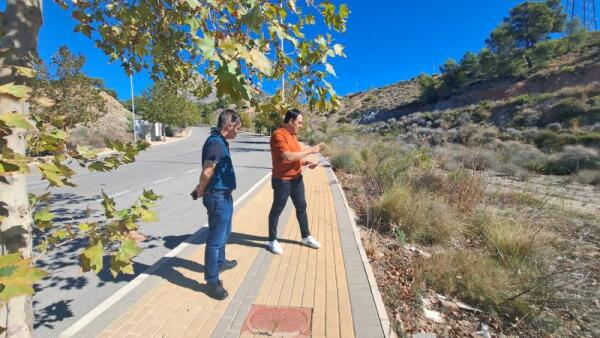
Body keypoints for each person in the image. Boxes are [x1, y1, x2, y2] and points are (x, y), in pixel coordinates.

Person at [192, 109, 241, 300]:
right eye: (237, 127)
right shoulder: (215, 143)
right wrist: (202, 189)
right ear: (228, 125)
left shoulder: (220, 142)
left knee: (225, 232)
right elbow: (207, 172)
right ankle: (212, 281)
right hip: (217, 197)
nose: (238, 131)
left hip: (224, 195)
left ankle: (220, 262)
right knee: (215, 240)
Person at [267, 109, 324, 255]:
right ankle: (272, 240)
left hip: (296, 179)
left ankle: (306, 237)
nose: (301, 126)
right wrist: (310, 150)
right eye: (299, 122)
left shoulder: (293, 135)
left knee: (301, 206)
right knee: (277, 209)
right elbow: (288, 157)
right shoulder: (278, 135)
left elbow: (295, 157)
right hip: (282, 181)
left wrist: (305, 163)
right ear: (291, 121)